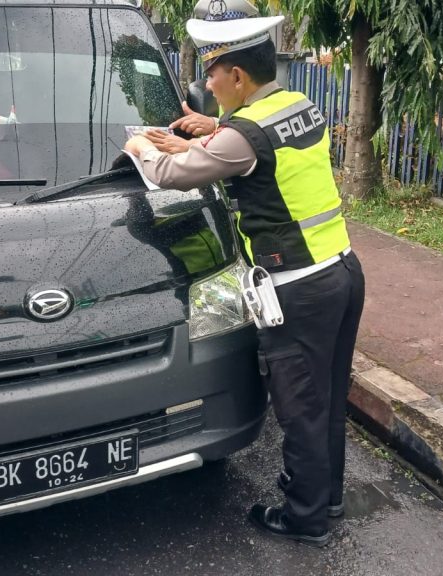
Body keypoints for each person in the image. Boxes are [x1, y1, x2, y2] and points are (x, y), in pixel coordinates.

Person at [124, 0, 365, 547]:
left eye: (211, 73)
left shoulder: (239, 137)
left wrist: (141, 145)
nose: (207, 82)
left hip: (298, 289)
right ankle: (326, 495)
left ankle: (304, 519)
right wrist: (209, 130)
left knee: (299, 407)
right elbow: (254, 145)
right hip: (344, 274)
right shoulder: (301, 104)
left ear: (236, 74)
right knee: (327, 396)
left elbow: (170, 174)